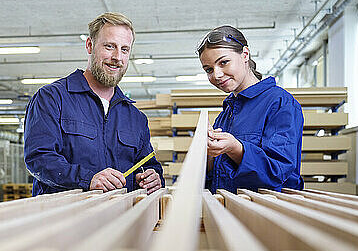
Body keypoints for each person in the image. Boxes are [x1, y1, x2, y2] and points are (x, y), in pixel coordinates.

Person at [24, 12, 164, 196]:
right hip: (64, 219)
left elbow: (147, 164)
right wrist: (88, 179)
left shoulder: (135, 118)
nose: (117, 57)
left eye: (124, 49)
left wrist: (153, 178)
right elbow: (39, 159)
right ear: (90, 46)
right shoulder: (51, 98)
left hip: (120, 220)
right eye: (109, 46)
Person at [197, 25, 303, 194]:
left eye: (223, 62)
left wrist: (236, 148)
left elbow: (278, 171)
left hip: (268, 213)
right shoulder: (226, 113)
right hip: (228, 211)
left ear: (245, 55)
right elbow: (216, 176)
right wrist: (209, 154)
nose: (216, 75)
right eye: (209, 69)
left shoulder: (279, 103)